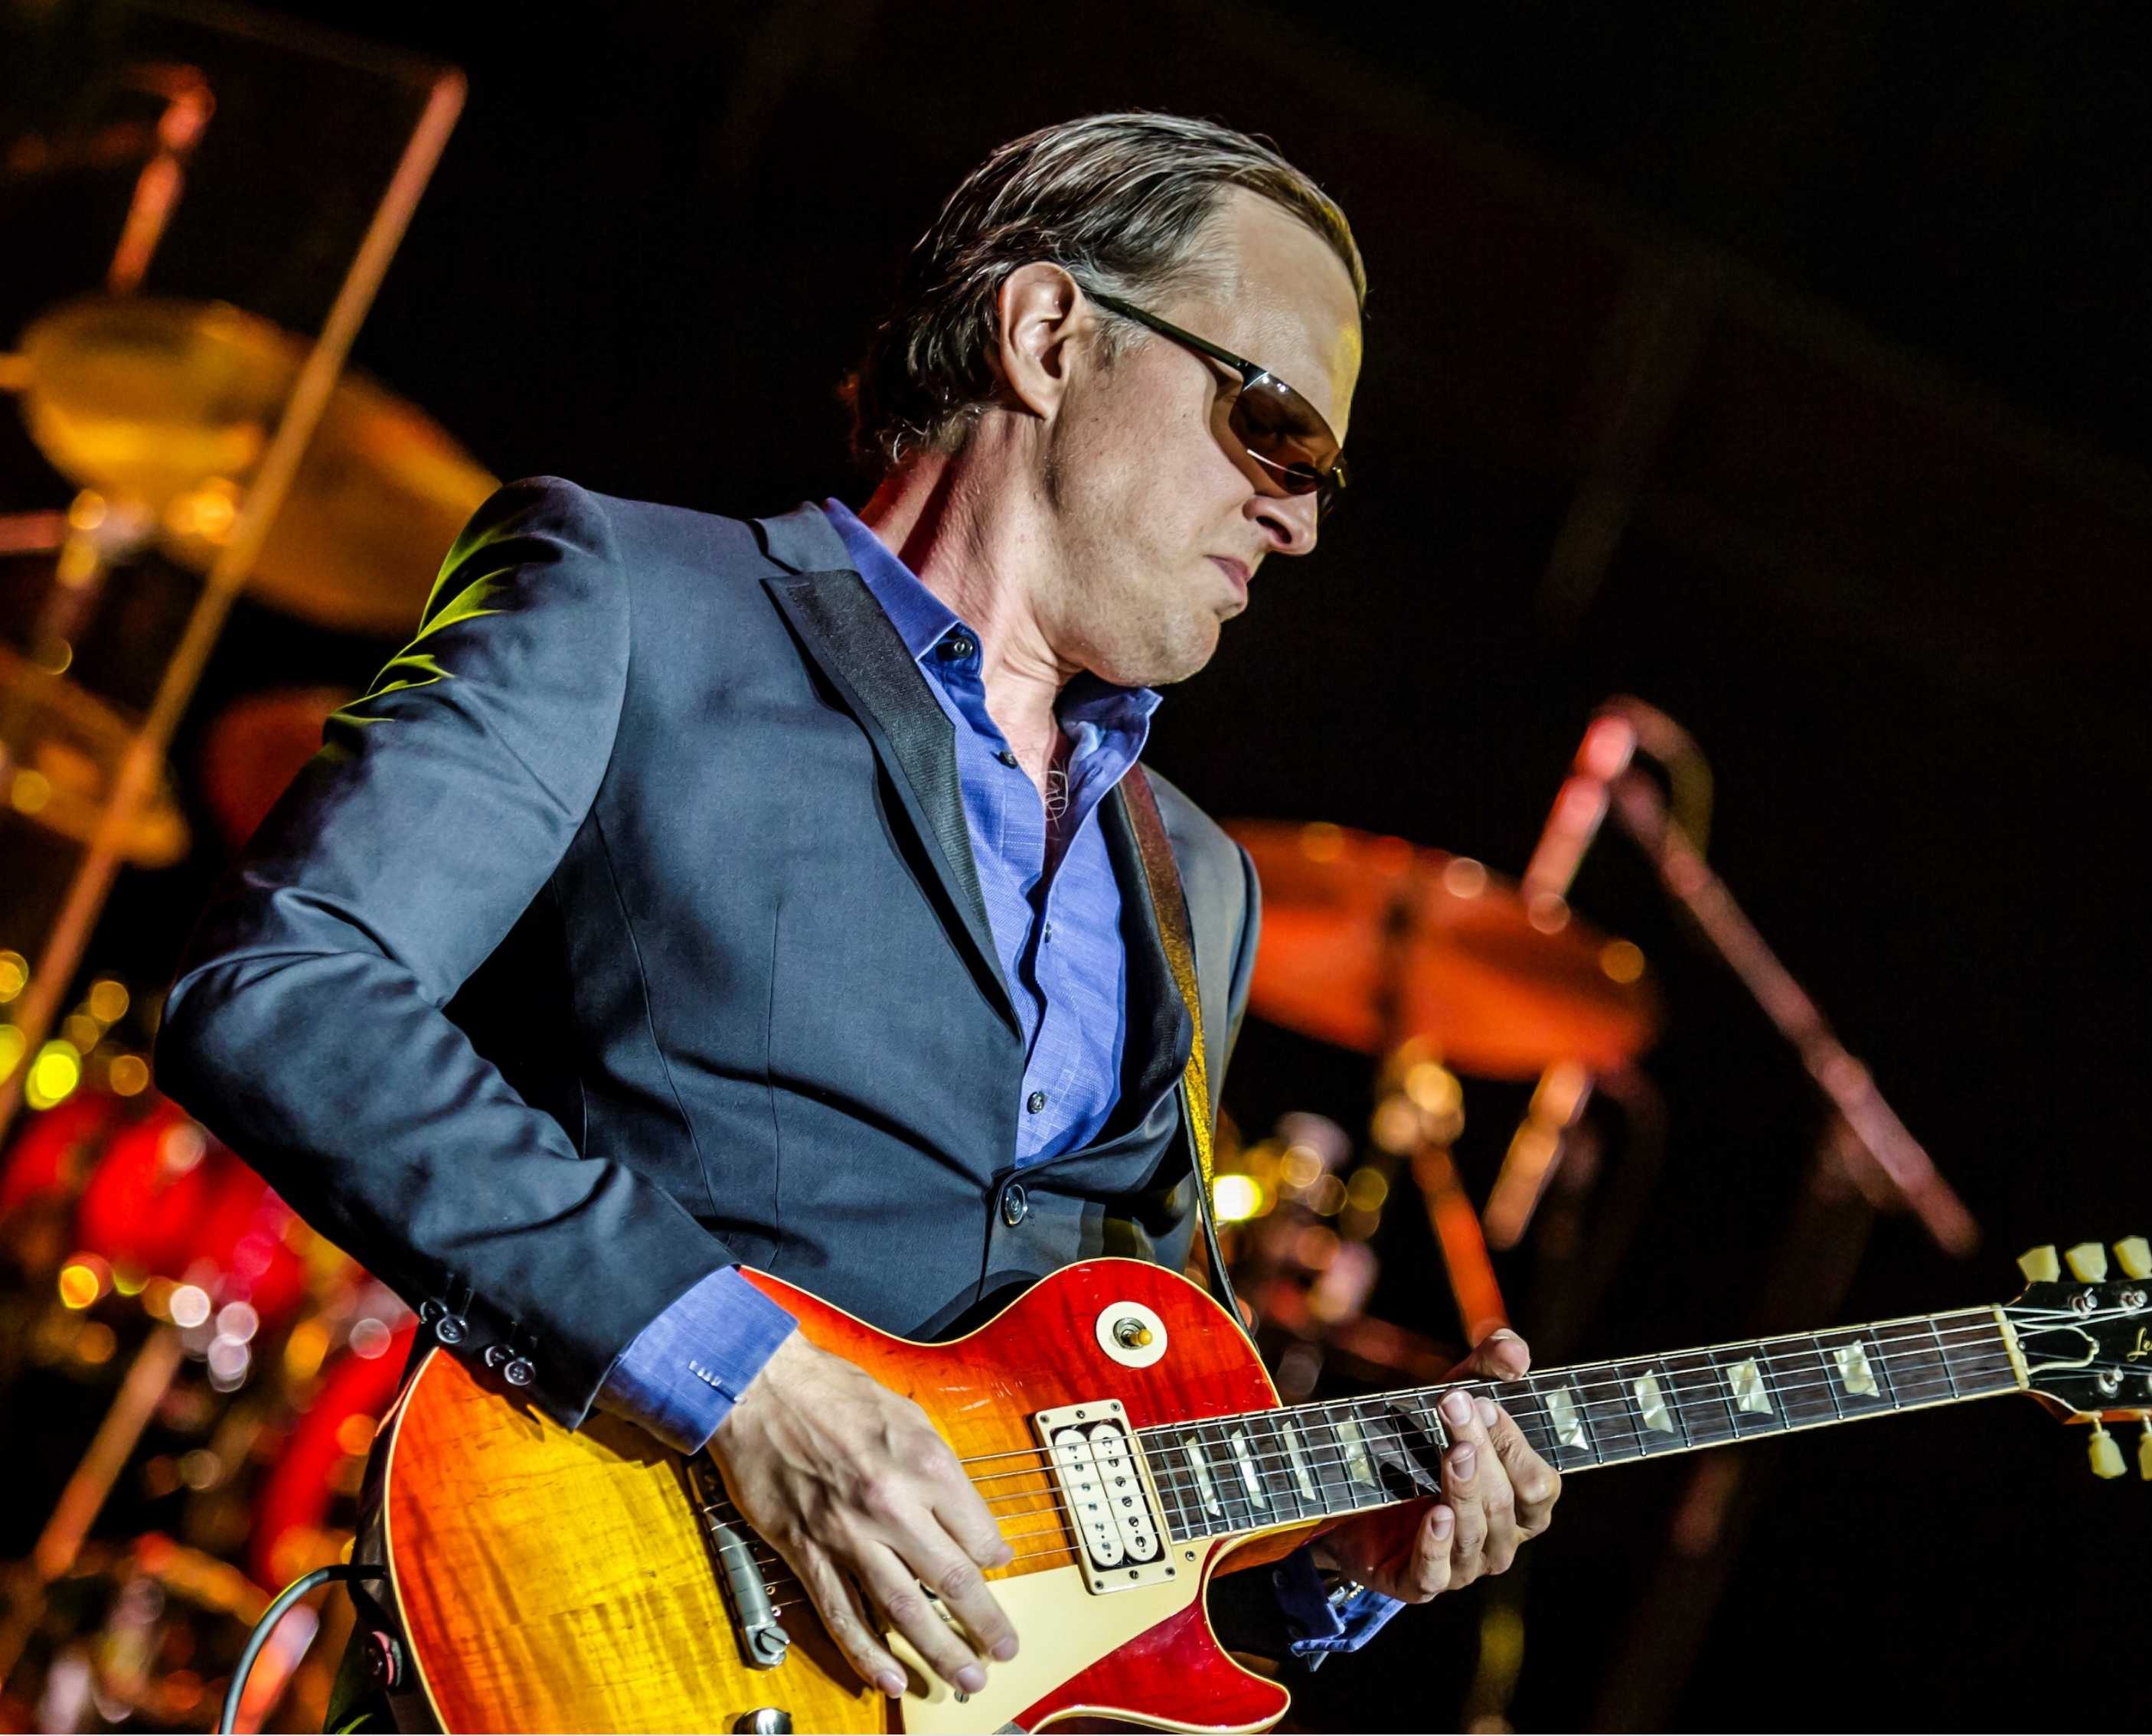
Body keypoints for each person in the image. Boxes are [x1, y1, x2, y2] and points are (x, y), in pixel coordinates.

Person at [157, 111, 1559, 1717]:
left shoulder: (1201, 882)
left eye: (1320, 475)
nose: (1298, 516)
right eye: (1274, 429)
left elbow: (1111, 1478)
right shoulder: (634, 600)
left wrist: (1335, 1563)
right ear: (1048, 336)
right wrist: (739, 1383)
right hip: (600, 1648)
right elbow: (284, 986)